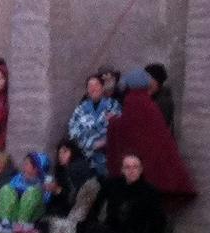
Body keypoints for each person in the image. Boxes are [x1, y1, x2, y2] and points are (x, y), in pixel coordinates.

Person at [107, 68, 195, 203]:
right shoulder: (149, 103)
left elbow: (126, 127)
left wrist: (112, 122)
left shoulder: (132, 101)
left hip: (143, 156)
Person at [71, 152, 167, 233]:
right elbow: (96, 206)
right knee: (95, 230)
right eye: (127, 167)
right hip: (112, 231)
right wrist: (90, 227)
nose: (131, 171)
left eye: (135, 167)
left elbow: (158, 222)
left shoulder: (150, 192)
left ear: (141, 169)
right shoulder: (112, 184)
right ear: (122, 170)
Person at [66, 73, 119, 178]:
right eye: (90, 86)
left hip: (108, 157)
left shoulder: (113, 105)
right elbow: (73, 130)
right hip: (85, 158)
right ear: (87, 90)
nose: (93, 88)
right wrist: (90, 144)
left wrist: (103, 142)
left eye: (96, 85)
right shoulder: (81, 108)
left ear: (102, 87)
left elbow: (119, 128)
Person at [145, 62, 175, 129]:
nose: (147, 84)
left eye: (151, 80)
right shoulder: (151, 98)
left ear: (159, 82)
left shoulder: (164, 102)